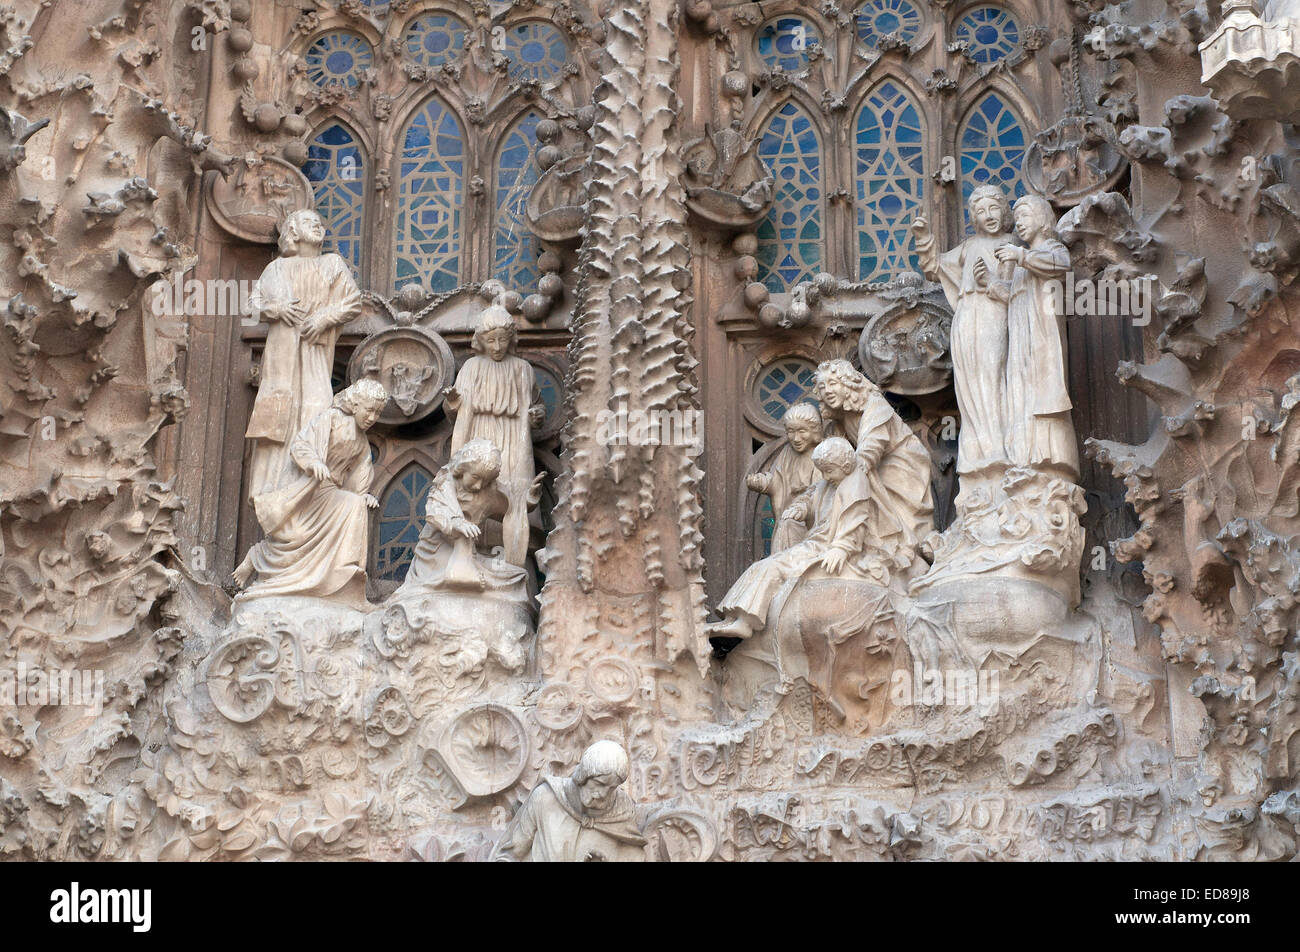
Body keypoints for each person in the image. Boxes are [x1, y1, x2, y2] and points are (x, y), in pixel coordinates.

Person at [709, 438, 884, 642]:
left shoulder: (855, 485)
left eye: (829, 471)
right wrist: (800, 508)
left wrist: (842, 548)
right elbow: (811, 496)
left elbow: (856, 522)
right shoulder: (830, 482)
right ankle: (735, 617)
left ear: (845, 466)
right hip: (814, 544)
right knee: (763, 566)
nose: (825, 476)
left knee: (772, 568)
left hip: (824, 550)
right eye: (823, 471)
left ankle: (745, 623)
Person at [232, 378, 386, 606]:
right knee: (297, 535)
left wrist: (363, 494)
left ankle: (342, 573)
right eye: (370, 410)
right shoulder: (331, 419)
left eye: (378, 413)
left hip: (331, 491)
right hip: (310, 487)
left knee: (354, 506)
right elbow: (301, 445)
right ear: (355, 405)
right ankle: (258, 556)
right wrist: (313, 462)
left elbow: (360, 476)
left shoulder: (362, 443)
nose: (372, 417)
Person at [245, 209, 363, 504]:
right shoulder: (277, 268)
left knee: (316, 408)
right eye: (310, 223)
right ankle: (274, 486)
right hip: (281, 358)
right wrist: (276, 308)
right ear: (294, 232)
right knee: (279, 418)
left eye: (320, 223)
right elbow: (254, 304)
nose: (318, 227)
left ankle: (314, 479)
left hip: (315, 352)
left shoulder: (331, 263)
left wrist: (325, 317)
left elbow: (352, 301)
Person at [912, 185, 1015, 476]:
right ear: (974, 219)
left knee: (994, 377)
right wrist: (923, 237)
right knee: (969, 383)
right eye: (981, 211)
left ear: (1004, 211)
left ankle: (1000, 448)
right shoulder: (969, 246)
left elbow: (1021, 286)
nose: (988, 215)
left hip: (996, 314)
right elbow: (934, 267)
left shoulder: (1013, 243)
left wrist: (993, 280)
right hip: (967, 316)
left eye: (994, 208)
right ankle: (979, 448)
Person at [444, 306, 544, 567]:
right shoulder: (472, 367)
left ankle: (513, 561)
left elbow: (536, 403)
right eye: (490, 340)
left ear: (511, 339)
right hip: (480, 437)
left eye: (502, 339)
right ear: (480, 341)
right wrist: (453, 403)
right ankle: (472, 556)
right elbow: (457, 409)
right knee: (477, 491)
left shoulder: (523, 369)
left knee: (513, 496)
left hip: (514, 441)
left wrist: (536, 415)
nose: (497, 346)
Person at [813, 360, 933, 572]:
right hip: (869, 465)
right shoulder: (839, 416)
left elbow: (871, 447)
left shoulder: (874, 404)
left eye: (833, 383)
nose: (828, 390)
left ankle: (897, 554)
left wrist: (851, 474)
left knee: (902, 522)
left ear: (849, 384)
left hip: (901, 464)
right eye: (823, 387)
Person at [992, 195, 1079, 479]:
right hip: (1021, 342)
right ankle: (1025, 458)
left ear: (1042, 219)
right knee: (1023, 397)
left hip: (1042, 338)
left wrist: (1021, 256)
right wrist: (992, 286)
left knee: (1043, 398)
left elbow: (1060, 264)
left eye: (1025, 215)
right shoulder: (1023, 264)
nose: (1019, 223)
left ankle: (1051, 458)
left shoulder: (1051, 249)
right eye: (1016, 218)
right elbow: (1017, 297)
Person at [393, 440, 544, 598]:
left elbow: (512, 505)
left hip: (469, 556)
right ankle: (460, 576)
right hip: (435, 554)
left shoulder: (489, 489)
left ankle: (468, 574)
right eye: (475, 477)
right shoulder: (446, 482)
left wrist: (529, 498)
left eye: (485, 481)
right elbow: (435, 511)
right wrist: (457, 523)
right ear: (463, 467)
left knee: (517, 576)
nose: (478, 485)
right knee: (464, 578)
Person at [503, 741, 646, 862]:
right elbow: (511, 854)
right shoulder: (545, 798)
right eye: (600, 783)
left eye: (612, 787)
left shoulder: (621, 808)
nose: (603, 794)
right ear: (584, 775)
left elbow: (635, 855)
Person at [747, 403, 824, 552]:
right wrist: (763, 482)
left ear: (815, 431)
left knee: (789, 525)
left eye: (802, 431)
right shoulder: (788, 453)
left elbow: (823, 491)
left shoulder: (822, 453)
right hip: (789, 513)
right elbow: (777, 479)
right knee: (786, 524)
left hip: (810, 519)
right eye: (791, 431)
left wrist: (804, 507)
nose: (796, 438)